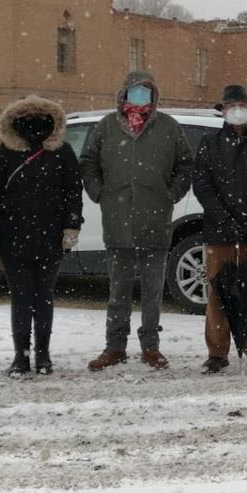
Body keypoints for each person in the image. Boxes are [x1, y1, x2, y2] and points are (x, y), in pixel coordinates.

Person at [79, 71, 195, 372]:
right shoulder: (107, 126)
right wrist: (99, 192)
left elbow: (186, 165)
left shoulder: (168, 127)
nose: (140, 96)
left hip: (155, 222)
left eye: (146, 91)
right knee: (118, 293)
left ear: (154, 96)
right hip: (117, 223)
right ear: (124, 94)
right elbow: (88, 162)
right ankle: (115, 347)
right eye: (135, 90)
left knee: (152, 293)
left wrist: (171, 194)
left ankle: (150, 347)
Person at [0, 96, 83, 377]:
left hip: (51, 237)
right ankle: (21, 356)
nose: (34, 124)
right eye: (28, 119)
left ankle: (43, 355)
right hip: (13, 237)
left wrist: (71, 226)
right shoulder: (6, 152)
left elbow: (73, 191)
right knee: (22, 298)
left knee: (44, 298)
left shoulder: (62, 152)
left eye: (40, 119)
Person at [191, 85, 247, 375]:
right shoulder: (210, 143)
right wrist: (224, 219)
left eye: (241, 105)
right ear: (223, 111)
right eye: (231, 106)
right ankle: (217, 353)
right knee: (217, 293)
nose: (237, 111)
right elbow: (202, 185)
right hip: (219, 233)